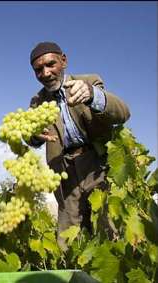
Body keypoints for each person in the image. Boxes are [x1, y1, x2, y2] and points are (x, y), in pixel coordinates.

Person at [26, 42, 130, 250]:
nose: (45, 73)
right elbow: (31, 137)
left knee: (108, 228)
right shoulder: (38, 101)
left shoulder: (88, 82)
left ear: (63, 61)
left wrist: (93, 95)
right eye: (38, 69)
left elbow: (123, 113)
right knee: (67, 238)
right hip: (65, 171)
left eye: (50, 65)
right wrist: (34, 136)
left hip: (97, 165)